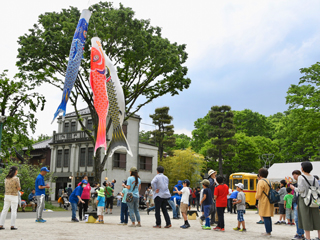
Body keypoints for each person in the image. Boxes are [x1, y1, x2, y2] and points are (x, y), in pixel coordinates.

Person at [290, 161, 320, 240]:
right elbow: (317, 189)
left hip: (304, 200)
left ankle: (308, 238)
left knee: (305, 218)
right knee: (316, 218)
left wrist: (294, 188)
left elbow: (301, 190)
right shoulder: (314, 178)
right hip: (314, 199)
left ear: (302, 168)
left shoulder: (301, 177)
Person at [0, 166, 21, 230]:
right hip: (14, 195)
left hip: (7, 195)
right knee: (13, 210)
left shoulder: (6, 178)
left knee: (4, 210)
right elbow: (18, 188)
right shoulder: (16, 178)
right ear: (15, 171)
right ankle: (12, 225)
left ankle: (1, 224)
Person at [255, 168, 274, 237]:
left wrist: (256, 198)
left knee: (265, 216)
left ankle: (267, 232)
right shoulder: (269, 181)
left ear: (260, 174)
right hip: (270, 200)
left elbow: (258, 193)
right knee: (268, 216)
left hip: (263, 200)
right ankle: (269, 231)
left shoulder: (260, 182)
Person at [291, 170, 305, 240]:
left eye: (295, 174)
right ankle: (300, 233)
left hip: (298, 202)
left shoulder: (301, 181)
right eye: (293, 174)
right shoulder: (297, 183)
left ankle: (300, 234)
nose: (294, 176)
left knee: (297, 219)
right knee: (297, 219)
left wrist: (293, 188)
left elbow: (300, 193)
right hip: (296, 201)